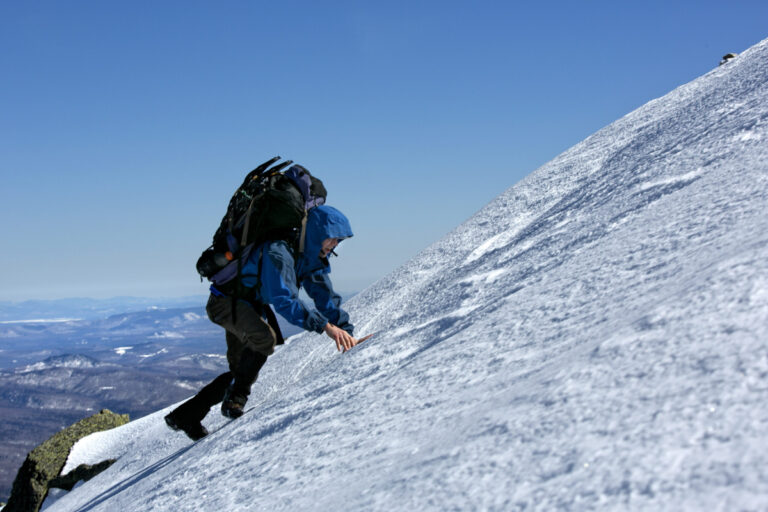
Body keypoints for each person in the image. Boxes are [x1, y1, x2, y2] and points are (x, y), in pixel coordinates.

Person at [165, 205, 370, 440]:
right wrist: (325, 326)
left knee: (242, 369)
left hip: (247, 306)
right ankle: (235, 400)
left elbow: (326, 299)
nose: (334, 245)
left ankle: (186, 416)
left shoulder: (311, 258)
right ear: (315, 232)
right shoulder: (278, 252)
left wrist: (346, 333)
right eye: (331, 238)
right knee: (264, 339)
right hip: (225, 303)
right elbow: (284, 301)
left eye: (338, 241)